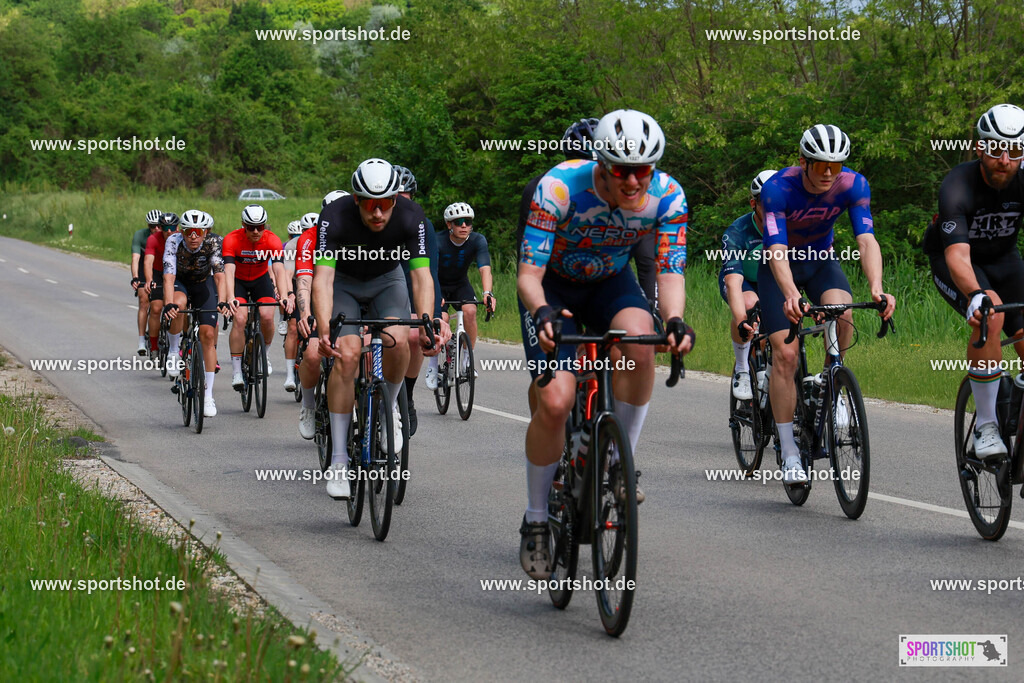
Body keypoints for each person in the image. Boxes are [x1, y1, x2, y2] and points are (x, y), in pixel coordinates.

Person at [516, 109, 693, 579]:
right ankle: (536, 521)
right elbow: (528, 276)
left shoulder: (669, 195)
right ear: (600, 163)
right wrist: (542, 312)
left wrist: (674, 320)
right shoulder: (558, 188)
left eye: (643, 170)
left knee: (641, 342)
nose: (633, 181)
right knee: (555, 401)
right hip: (553, 292)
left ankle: (619, 460)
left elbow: (670, 269)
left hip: (610, 285)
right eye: (621, 170)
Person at [760, 124, 895, 484]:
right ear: (804, 162)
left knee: (843, 310)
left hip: (821, 263)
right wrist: (790, 293)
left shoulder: (854, 185)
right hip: (779, 269)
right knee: (785, 356)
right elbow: (775, 248)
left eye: (836, 166)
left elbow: (866, 240)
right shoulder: (777, 189)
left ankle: (831, 382)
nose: (829, 173)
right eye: (821, 165)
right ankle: (789, 452)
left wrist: (877, 287)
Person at [313, 159, 437, 500]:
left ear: (396, 199)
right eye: (370, 204)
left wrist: (426, 320)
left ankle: (391, 409)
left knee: (399, 340)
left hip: (387, 281)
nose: (378, 213)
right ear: (356, 198)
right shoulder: (334, 217)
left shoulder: (413, 217)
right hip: (344, 284)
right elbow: (322, 279)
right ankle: (339, 461)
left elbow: (421, 276)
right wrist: (324, 329)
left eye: (386, 204)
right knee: (347, 354)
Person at [924, 103, 1024, 458]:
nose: (1005, 159)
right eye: (996, 149)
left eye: (1015, 150)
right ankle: (985, 426)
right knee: (991, 314)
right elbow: (957, 257)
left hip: (1004, 260)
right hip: (957, 262)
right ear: (980, 147)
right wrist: (977, 295)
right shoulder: (957, 185)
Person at [393, 165, 448, 435]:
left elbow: (430, 273)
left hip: (413, 288)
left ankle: (408, 396)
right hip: (383, 288)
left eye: (407, 197)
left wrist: (433, 315)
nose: (402, 203)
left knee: (415, 336)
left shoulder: (422, 225)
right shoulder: (374, 222)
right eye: (396, 196)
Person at [161, 210, 227, 417]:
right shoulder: (173, 241)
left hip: (202, 283)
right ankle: (173, 351)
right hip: (180, 281)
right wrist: (168, 304)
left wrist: (223, 300)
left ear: (205, 232)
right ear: (182, 231)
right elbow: (168, 276)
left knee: (208, 334)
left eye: (198, 232)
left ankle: (208, 396)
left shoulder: (215, 242)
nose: (193, 237)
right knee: (178, 305)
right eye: (188, 231)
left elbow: (219, 275)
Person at [719, 170, 777, 399]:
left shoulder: (791, 227)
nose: (773, 210)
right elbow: (733, 283)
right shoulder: (737, 232)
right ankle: (742, 369)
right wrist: (742, 318)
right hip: (743, 281)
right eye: (767, 204)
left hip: (772, 281)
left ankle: (769, 370)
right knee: (750, 306)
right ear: (754, 203)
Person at [223, 205, 293, 390]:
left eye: (260, 227)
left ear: (265, 226)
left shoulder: (273, 240)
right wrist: (230, 297)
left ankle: (264, 354)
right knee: (239, 318)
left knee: (268, 316)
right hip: (238, 280)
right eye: (250, 227)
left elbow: (279, 269)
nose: (255, 231)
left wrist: (284, 296)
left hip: (260, 280)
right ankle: (237, 370)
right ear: (243, 225)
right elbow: (229, 271)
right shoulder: (232, 240)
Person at [424, 201, 494, 386]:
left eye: (468, 221)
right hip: (438, 284)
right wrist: (435, 295)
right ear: (449, 224)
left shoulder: (478, 240)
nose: (464, 225)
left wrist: (488, 293)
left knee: (470, 311)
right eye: (458, 221)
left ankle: (466, 360)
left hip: (460, 284)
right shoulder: (437, 241)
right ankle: (432, 365)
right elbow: (430, 271)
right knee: (443, 318)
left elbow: (485, 268)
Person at [295, 193, 347, 439]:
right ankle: (308, 406)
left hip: (348, 297)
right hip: (318, 297)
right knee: (313, 353)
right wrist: (305, 313)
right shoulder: (309, 238)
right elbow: (304, 280)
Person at [143, 212, 180, 361]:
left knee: (180, 307)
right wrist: (149, 280)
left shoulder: (181, 238)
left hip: (177, 274)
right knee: (156, 308)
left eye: (172, 227)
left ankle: (181, 345)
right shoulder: (153, 239)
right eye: (165, 228)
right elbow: (148, 262)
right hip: (158, 273)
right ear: (160, 228)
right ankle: (154, 345)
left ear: (177, 227)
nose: (169, 231)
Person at [280, 218, 308, 392]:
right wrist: (289, 295)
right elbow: (288, 273)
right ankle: (290, 374)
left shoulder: (326, 243)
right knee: (292, 327)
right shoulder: (292, 245)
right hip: (297, 284)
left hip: (318, 285)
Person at [131, 210, 162, 355]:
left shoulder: (167, 236)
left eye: (158, 226)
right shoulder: (140, 235)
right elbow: (136, 259)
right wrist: (136, 277)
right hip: (146, 269)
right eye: (152, 226)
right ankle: (142, 340)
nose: (156, 229)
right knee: (144, 301)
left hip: (163, 271)